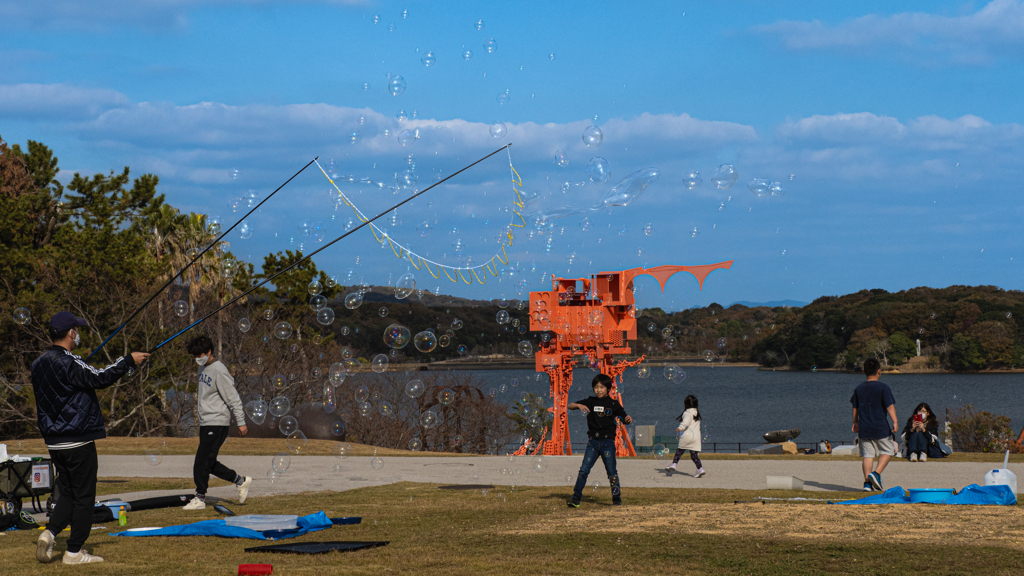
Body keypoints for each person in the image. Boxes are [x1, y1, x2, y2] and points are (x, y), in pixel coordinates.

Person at [32, 312, 149, 564]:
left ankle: (50, 534)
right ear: (71, 333)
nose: (79, 333)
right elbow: (99, 378)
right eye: (77, 329)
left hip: (54, 442)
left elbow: (66, 386)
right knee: (84, 496)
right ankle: (73, 552)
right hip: (78, 439)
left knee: (70, 493)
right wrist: (128, 360)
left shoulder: (38, 363)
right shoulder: (70, 362)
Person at [183, 335, 251, 510]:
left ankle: (199, 497)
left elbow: (233, 397)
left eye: (201, 355)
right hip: (206, 422)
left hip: (218, 422)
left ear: (209, 352)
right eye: (195, 356)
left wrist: (241, 422)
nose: (198, 359)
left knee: (201, 461)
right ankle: (240, 481)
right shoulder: (202, 370)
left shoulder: (219, 370)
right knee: (209, 462)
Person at [566, 373, 632, 507]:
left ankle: (616, 500)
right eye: (596, 387)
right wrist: (578, 406)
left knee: (612, 473)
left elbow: (625, 417)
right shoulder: (590, 401)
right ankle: (576, 498)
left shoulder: (613, 403)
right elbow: (569, 405)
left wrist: (627, 419)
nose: (599, 390)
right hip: (593, 443)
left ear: (608, 389)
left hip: (608, 443)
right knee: (584, 470)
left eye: (602, 387)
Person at [851, 358, 897, 492]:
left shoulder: (859, 388)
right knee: (888, 451)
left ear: (864, 371)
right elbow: (889, 406)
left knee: (868, 455)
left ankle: (867, 484)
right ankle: (876, 473)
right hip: (880, 426)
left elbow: (855, 407)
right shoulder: (883, 387)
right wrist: (895, 421)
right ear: (879, 371)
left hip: (864, 427)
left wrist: (855, 422)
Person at [665, 395, 704, 477]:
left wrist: (680, 428)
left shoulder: (687, 413)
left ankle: (674, 464)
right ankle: (700, 468)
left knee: (679, 451)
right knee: (694, 455)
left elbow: (685, 422)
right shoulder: (697, 413)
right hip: (696, 437)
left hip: (687, 436)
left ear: (685, 404)